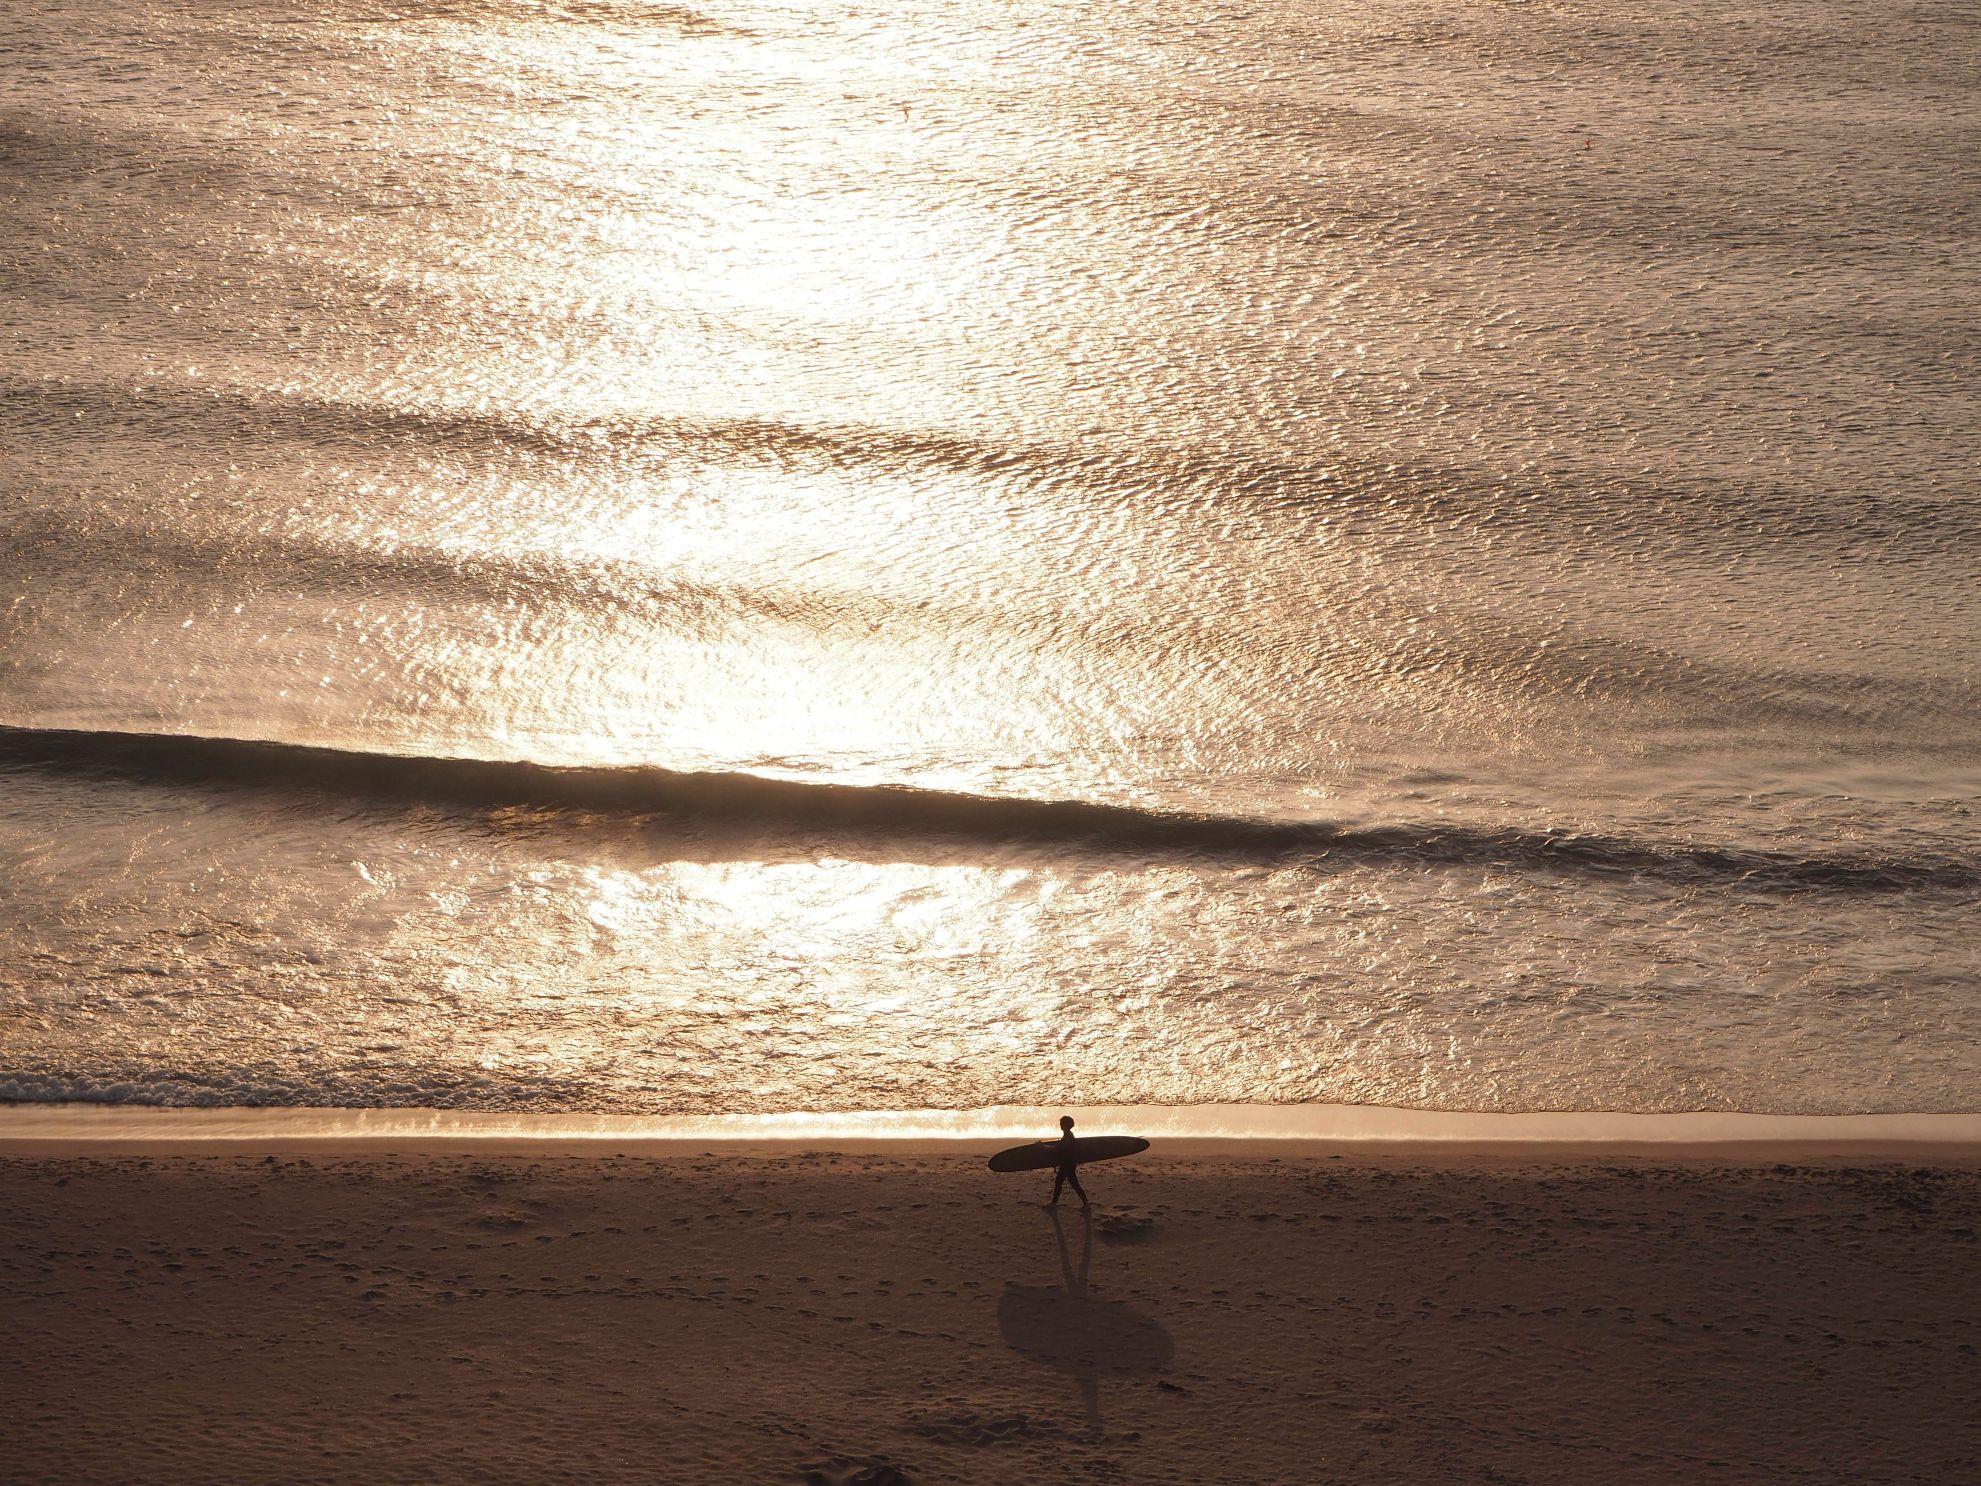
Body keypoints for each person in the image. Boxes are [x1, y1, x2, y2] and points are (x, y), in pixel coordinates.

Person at [1049, 1114, 1089, 1207]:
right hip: (1068, 1163)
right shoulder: (1068, 1135)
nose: (1060, 1125)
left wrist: (1042, 1147)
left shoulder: (1068, 1136)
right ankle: (1085, 1203)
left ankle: (1054, 1203)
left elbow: (1059, 1148)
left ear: (1066, 1125)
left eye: (1062, 1123)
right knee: (1070, 1183)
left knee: (1062, 1182)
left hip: (1068, 1164)